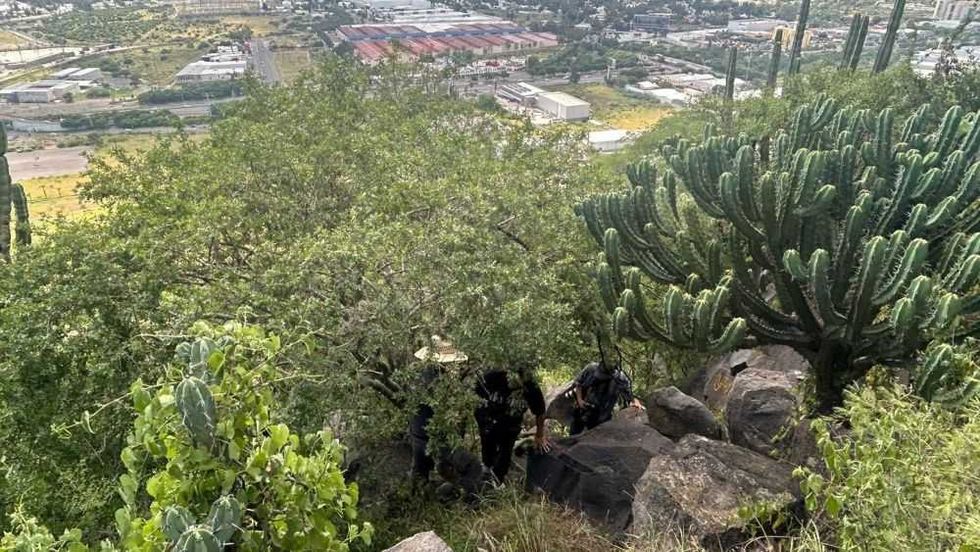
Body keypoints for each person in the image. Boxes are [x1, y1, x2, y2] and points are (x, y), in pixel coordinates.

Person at [408, 336, 471, 486]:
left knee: (420, 467)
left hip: (418, 430)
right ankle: (452, 491)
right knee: (446, 465)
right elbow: (444, 406)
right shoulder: (435, 377)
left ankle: (419, 494)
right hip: (432, 434)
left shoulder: (418, 372)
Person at [474, 362, 551, 484]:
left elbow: (540, 412)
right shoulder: (493, 377)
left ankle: (496, 482)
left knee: (504, 455)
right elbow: (474, 397)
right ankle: (486, 471)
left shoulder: (530, 386)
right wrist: (481, 419)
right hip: (489, 422)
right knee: (488, 451)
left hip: (511, 426)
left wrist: (539, 435)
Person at [570, 359, 644, 435]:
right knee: (575, 431)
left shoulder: (620, 378)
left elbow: (628, 394)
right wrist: (580, 400)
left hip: (603, 414)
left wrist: (635, 402)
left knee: (596, 436)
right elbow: (578, 384)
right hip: (583, 408)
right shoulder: (591, 369)